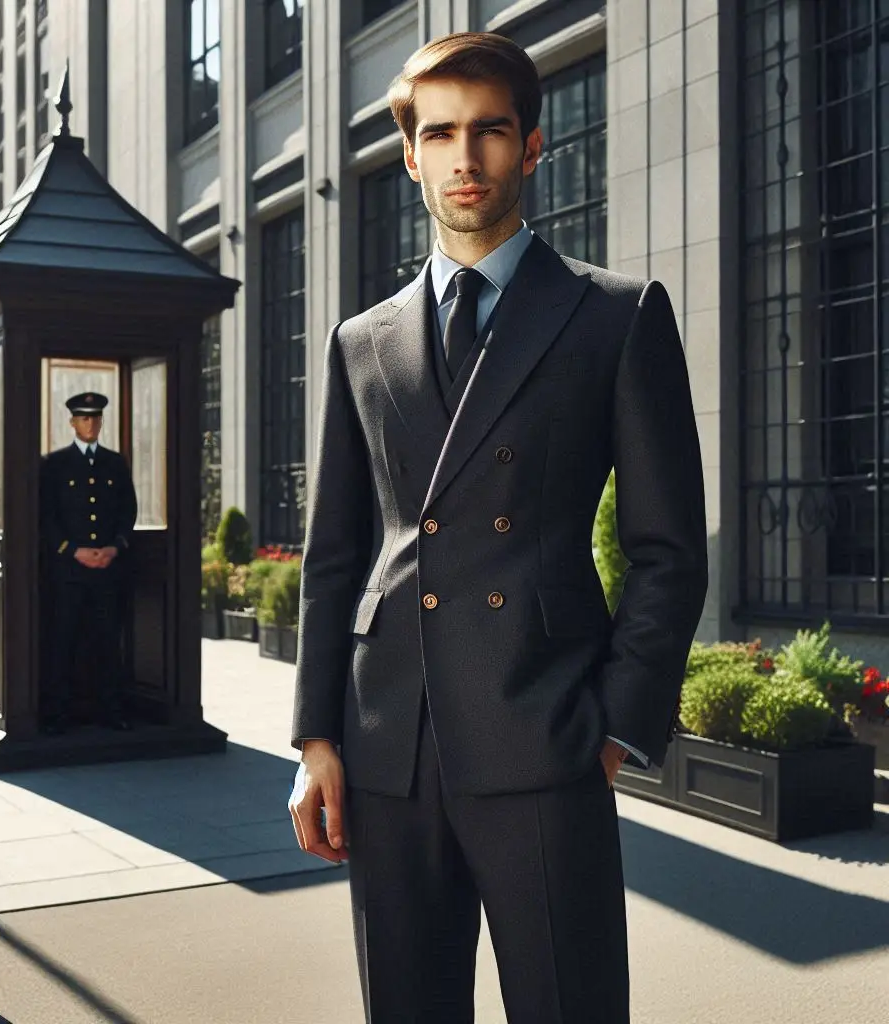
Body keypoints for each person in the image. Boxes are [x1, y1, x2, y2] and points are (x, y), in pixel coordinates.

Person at [288, 31, 708, 1024]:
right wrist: (317, 738)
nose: (463, 158)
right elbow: (336, 556)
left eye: (488, 131)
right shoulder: (363, 340)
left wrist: (612, 727)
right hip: (388, 745)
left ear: (531, 144)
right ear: (410, 154)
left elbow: (669, 550)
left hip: (544, 735)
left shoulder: (614, 314)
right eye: (439, 133)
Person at [39, 391, 137, 734]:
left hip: (108, 570)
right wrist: (72, 550)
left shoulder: (115, 462)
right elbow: (46, 517)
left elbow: (128, 511)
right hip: (69, 571)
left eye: (96, 418)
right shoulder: (54, 464)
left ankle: (111, 712)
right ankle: (59, 715)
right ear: (72, 422)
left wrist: (114, 547)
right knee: (63, 642)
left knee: (108, 643)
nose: (91, 423)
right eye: (84, 418)